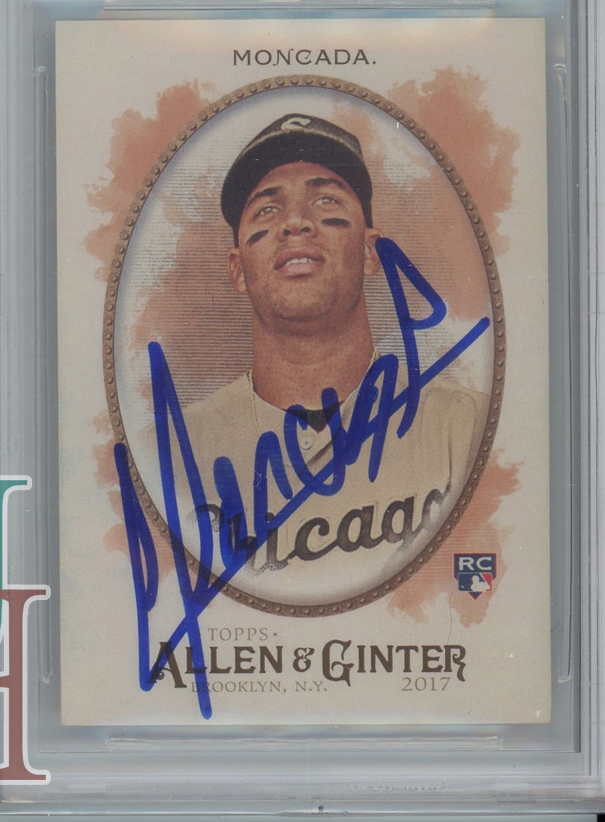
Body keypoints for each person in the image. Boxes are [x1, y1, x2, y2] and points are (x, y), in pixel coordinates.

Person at [145, 112, 488, 608]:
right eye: (267, 209)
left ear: (371, 253)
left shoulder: (468, 430)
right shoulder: (163, 456)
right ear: (237, 270)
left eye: (326, 200)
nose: (296, 223)